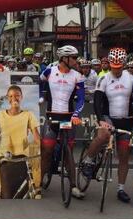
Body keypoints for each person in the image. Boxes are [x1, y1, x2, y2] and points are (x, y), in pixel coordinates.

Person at [80, 47, 133, 203]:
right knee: (103, 134)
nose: (115, 70)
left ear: (123, 64)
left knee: (124, 155)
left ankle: (121, 189)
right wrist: (100, 119)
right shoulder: (103, 78)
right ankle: (89, 160)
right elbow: (97, 100)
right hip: (108, 117)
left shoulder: (131, 78)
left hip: (126, 119)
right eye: (113, 67)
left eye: (119, 67)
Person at [40, 45, 86, 199]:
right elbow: (39, 82)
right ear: (64, 59)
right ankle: (39, 181)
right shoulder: (49, 71)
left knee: (68, 151)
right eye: (73, 57)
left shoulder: (77, 76)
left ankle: (73, 186)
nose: (75, 60)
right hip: (52, 116)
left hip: (67, 118)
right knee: (46, 149)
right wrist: (42, 96)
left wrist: (76, 114)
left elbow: (80, 99)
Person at [0, 85, 41, 198]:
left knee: (22, 195)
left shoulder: (28, 115)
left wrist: (42, 150)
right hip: (5, 159)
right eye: (11, 96)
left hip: (23, 159)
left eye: (17, 95)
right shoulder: (1, 114)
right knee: (7, 195)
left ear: (21, 97)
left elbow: (36, 136)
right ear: (8, 98)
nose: (14, 98)